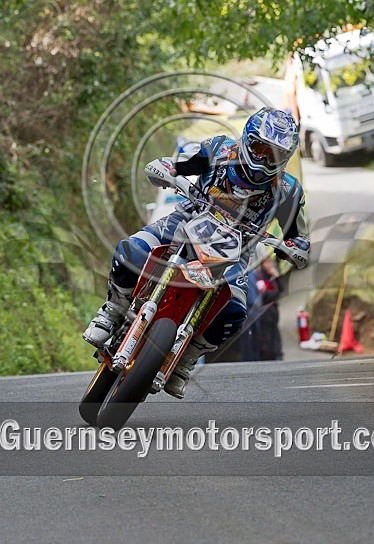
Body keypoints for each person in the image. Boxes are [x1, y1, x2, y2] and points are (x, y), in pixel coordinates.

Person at [83, 107, 310, 398]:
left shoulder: (289, 190)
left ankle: (187, 357)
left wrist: (295, 248)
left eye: (275, 155)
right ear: (246, 140)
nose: (265, 159)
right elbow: (177, 164)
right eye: (259, 148)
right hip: (187, 221)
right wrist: (167, 168)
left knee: (236, 310)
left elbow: (298, 236)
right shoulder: (218, 149)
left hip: (235, 251)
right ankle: (112, 310)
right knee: (133, 249)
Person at [256, 256, 283, 360]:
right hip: (264, 311)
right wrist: (275, 293)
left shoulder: (272, 276)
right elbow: (264, 296)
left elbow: (281, 289)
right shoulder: (259, 276)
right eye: (267, 263)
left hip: (273, 310)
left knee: (275, 332)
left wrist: (277, 277)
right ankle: (267, 355)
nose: (270, 265)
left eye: (271, 263)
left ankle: (277, 353)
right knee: (266, 335)